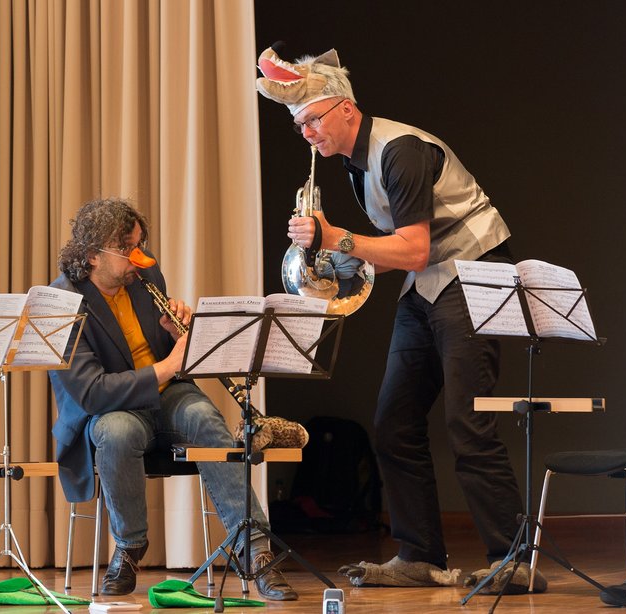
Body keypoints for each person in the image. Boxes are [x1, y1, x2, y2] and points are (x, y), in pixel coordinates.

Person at [255, 47, 546, 594]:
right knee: (394, 424)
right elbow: (400, 251)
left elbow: (413, 249)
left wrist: (335, 237)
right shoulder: (356, 161)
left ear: (345, 108)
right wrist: (335, 260)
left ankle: (513, 560)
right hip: (429, 283)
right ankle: (418, 554)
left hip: (473, 275)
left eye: (312, 119)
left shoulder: (400, 150)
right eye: (299, 126)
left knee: (469, 423)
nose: (307, 133)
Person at [48, 198, 297, 600]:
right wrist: (167, 366)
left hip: (167, 397)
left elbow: (172, 355)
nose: (140, 257)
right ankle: (129, 546)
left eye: (140, 245)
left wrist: (177, 333)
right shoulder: (61, 301)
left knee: (204, 417)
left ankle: (255, 550)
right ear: (92, 255)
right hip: (112, 411)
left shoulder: (144, 276)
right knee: (116, 431)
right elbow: (92, 393)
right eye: (127, 248)